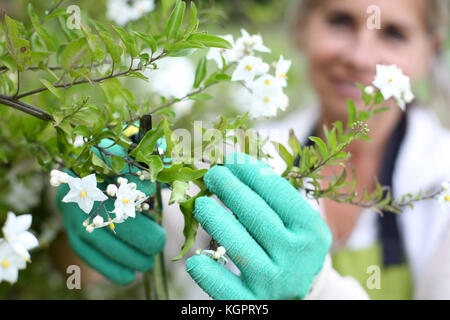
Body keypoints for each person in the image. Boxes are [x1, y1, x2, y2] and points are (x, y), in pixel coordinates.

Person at [57, 0, 450, 299]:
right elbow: (95, 273)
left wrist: (319, 289)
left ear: (431, 49)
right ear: (302, 28)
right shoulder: (244, 152)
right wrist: (95, 208)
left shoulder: (441, 175)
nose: (361, 57)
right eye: (340, 22)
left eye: (394, 33)